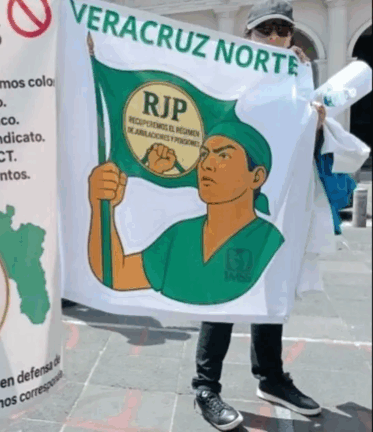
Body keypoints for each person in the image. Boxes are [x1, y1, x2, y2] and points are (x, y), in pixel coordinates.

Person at [189, 1, 325, 429]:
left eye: (283, 30)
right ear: (247, 35)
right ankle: (205, 387)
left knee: (271, 286)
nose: (274, 38)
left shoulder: (297, 81)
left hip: (277, 201)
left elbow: (306, 151)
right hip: (231, 202)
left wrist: (317, 124)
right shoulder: (227, 74)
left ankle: (270, 377)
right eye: (265, 29)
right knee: (223, 289)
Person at [88, 125, 285, 306]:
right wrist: (102, 207)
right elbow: (116, 274)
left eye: (224, 156)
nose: (207, 164)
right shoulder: (181, 236)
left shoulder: (270, 241)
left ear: (256, 176)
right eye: (204, 154)